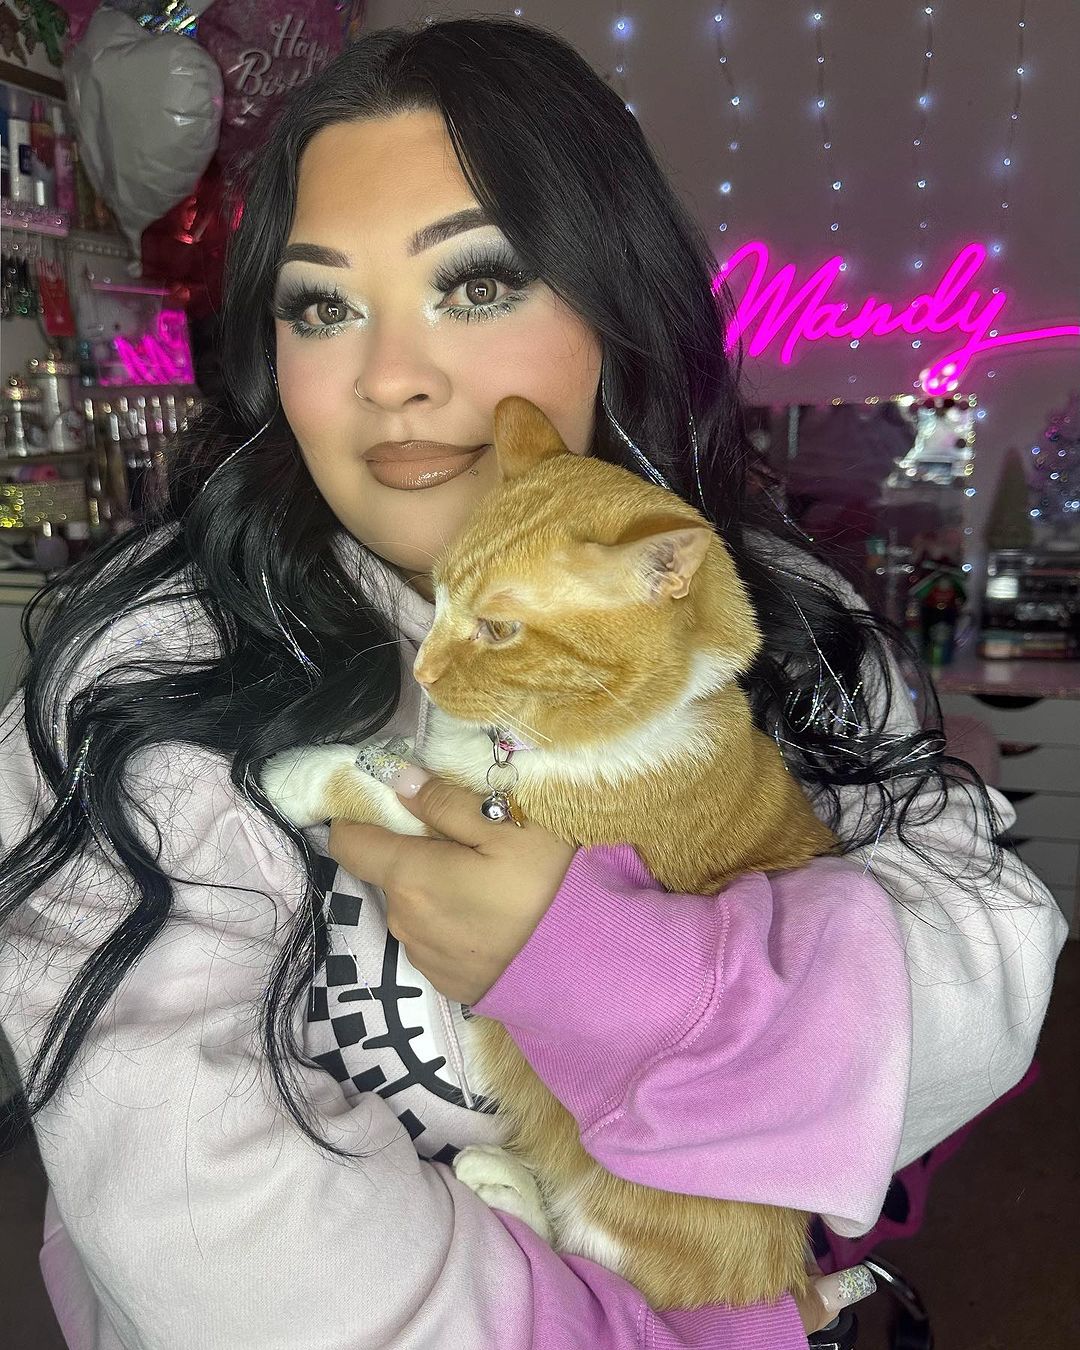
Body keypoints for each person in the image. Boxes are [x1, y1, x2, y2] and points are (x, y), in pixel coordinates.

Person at [0, 17, 1066, 1350]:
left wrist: (624, 975)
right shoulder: (146, 685)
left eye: (477, 283)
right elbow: (201, 1217)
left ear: (615, 308)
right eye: (322, 306)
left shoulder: (773, 615)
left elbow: (989, 972)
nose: (391, 378)